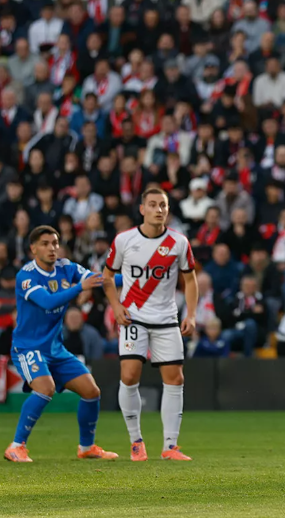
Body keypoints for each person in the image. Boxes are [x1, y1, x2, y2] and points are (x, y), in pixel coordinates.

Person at [4, 226, 117, 463]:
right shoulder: (26, 275)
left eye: (55, 243)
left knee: (91, 392)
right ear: (33, 248)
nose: (52, 248)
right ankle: (16, 446)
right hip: (29, 347)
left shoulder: (66, 267)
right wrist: (78, 288)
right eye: (45, 243)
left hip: (55, 349)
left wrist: (141, 277)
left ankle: (86, 447)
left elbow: (98, 279)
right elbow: (46, 302)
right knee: (45, 388)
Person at [103, 187, 198, 462]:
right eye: (153, 204)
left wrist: (190, 315)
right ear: (142, 209)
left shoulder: (179, 242)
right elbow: (107, 277)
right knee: (130, 376)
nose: (159, 209)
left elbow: (190, 280)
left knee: (175, 379)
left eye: (163, 205)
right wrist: (116, 307)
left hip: (167, 319)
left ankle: (170, 446)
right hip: (134, 318)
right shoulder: (124, 240)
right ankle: (136, 441)